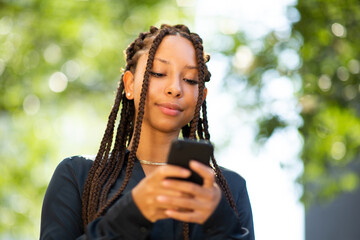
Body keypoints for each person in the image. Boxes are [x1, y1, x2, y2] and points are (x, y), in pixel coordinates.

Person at [40, 24, 254, 240]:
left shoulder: (228, 189)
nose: (175, 88)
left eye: (190, 80)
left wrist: (220, 221)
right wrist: (132, 213)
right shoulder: (78, 175)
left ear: (201, 96)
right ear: (130, 84)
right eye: (159, 73)